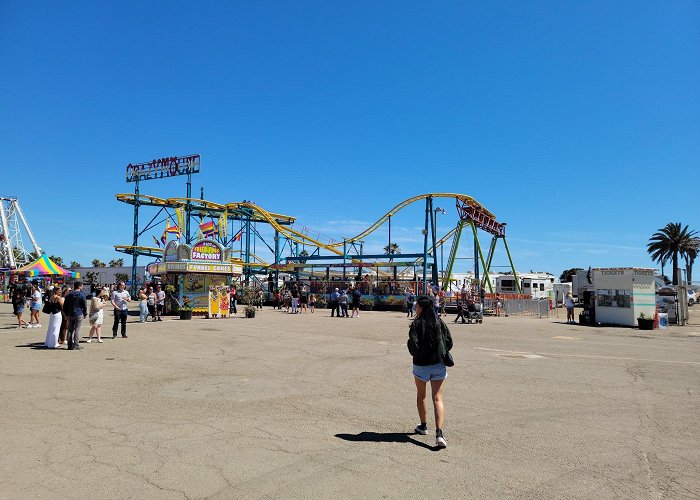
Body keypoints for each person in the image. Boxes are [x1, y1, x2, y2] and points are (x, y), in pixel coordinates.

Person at [407, 295, 453, 448]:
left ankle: (423, 426)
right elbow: (449, 342)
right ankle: (439, 434)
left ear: (421, 307)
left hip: (421, 365)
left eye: (417, 306)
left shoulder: (416, 324)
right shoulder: (439, 322)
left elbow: (413, 347)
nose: (415, 308)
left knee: (421, 396)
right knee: (438, 399)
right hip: (438, 364)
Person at [63, 282, 88, 350]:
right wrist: (85, 313)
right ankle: (76, 344)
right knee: (77, 329)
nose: (82, 287)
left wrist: (66, 313)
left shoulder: (69, 294)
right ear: (79, 286)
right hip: (79, 313)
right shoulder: (82, 295)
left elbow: (65, 305)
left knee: (70, 330)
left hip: (70, 313)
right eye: (82, 286)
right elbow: (84, 305)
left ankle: (69, 345)